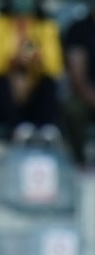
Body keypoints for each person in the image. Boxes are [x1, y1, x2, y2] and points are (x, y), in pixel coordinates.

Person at [0, 0, 63, 143]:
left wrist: (37, 60)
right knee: (0, 81)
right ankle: (17, 127)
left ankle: (47, 126)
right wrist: (13, 61)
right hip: (2, 95)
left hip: (34, 87)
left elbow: (55, 67)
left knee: (48, 81)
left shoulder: (46, 26)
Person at [62, 0, 95, 167]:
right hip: (87, 96)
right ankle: (79, 164)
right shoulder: (78, 30)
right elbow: (78, 79)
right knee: (73, 109)